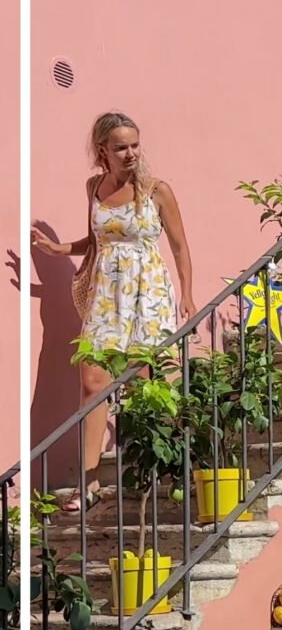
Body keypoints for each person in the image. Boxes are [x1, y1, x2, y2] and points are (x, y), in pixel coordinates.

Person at [31, 111, 196, 511]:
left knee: (148, 382)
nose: (131, 153)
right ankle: (88, 485)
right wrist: (60, 250)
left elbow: (178, 246)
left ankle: (167, 470)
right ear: (102, 149)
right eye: (121, 147)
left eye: (135, 145)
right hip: (107, 294)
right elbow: (98, 239)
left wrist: (187, 295)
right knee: (92, 382)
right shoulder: (93, 187)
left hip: (147, 292)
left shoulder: (157, 190)